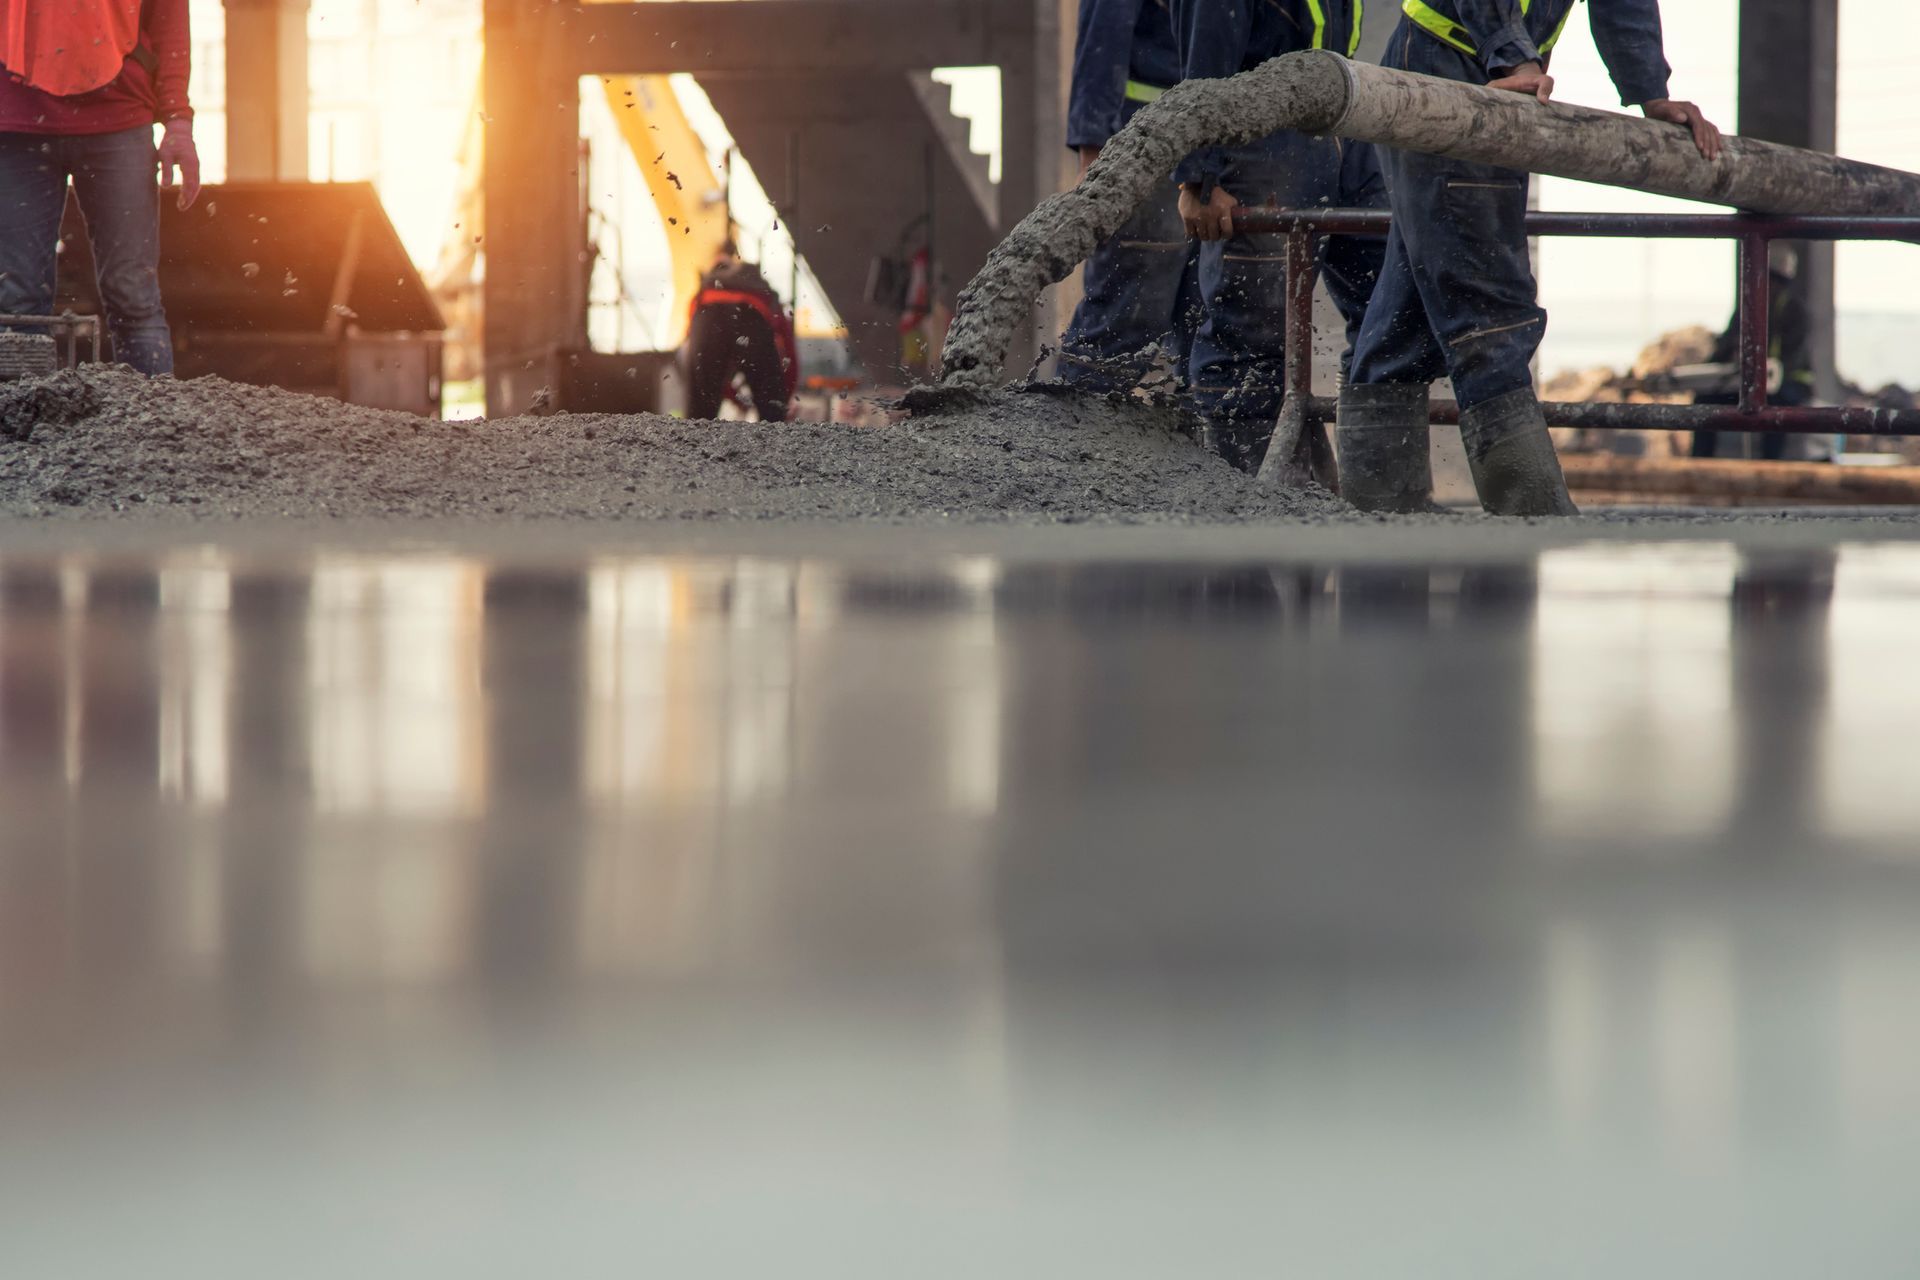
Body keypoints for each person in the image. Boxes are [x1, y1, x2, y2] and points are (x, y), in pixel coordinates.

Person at [1339, 0, 1722, 514]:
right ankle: (1532, 517)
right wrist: (1513, 59)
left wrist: (1651, 90)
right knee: (1489, 309)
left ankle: (1379, 513)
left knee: (1407, 316)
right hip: (1451, 61)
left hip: (1494, 69)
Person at [1172, 0, 1387, 474]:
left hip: (1343, 118)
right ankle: (1250, 496)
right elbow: (1205, 46)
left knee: (1388, 306)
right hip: (1261, 130)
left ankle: (1381, 496)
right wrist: (1198, 174)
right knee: (1251, 330)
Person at [0, 0, 200, 377]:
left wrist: (177, 121)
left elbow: (169, 15)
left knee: (133, 296)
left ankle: (155, 427)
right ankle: (18, 431)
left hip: (115, 117)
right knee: (17, 302)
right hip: (17, 123)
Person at [1058, 0, 1200, 397]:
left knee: (1200, 318)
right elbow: (1101, 35)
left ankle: (1194, 451)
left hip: (1204, 144)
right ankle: (1064, 437)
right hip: (1142, 140)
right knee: (1130, 312)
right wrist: (1095, 154)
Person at [1691, 243, 1812, 462]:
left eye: (1770, 280)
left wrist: (1763, 371)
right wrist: (1708, 373)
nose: (1765, 286)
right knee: (1704, 400)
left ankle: (1768, 468)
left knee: (1775, 407)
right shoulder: (1745, 308)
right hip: (1749, 383)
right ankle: (1700, 464)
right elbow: (1725, 345)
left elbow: (1791, 359)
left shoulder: (1795, 311)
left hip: (1789, 383)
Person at [685, 242, 797, 422]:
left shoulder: (703, 293)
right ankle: (774, 443)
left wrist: (734, 396)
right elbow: (787, 346)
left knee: (700, 414)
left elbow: (698, 360)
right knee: (772, 414)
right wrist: (782, 398)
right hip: (752, 318)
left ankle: (691, 447)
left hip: (708, 319)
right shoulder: (758, 286)